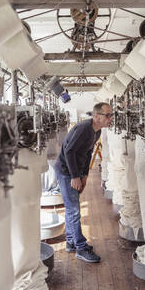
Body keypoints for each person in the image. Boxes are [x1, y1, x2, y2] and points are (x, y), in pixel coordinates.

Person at [54, 102, 113, 263]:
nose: (111, 118)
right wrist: (74, 176)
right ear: (96, 116)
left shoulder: (97, 131)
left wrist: (85, 174)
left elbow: (88, 152)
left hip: (75, 171)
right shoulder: (84, 129)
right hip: (66, 171)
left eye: (111, 115)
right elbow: (69, 151)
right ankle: (80, 247)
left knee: (71, 207)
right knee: (73, 210)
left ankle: (71, 242)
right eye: (108, 115)